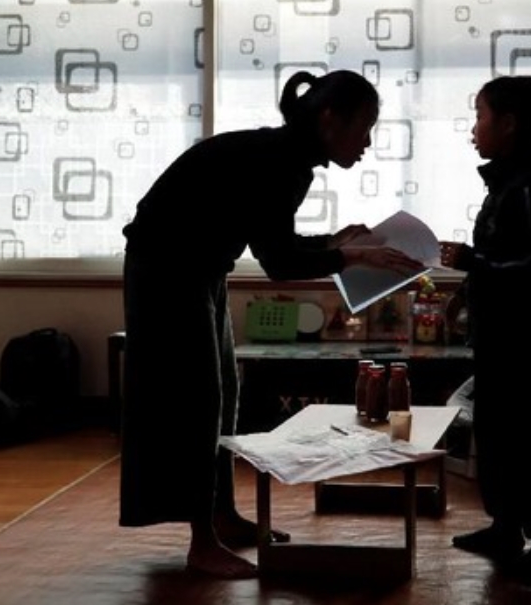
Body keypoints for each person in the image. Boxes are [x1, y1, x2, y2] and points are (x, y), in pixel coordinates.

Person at [118, 69, 424, 580]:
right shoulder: (281, 161)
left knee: (223, 393)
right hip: (166, 271)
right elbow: (280, 263)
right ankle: (202, 544)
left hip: (199, 270)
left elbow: (276, 244)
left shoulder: (287, 157)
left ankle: (220, 515)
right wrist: (348, 255)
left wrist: (337, 243)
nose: (368, 143)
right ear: (329, 119)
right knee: (198, 401)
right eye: (364, 128)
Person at [439, 75, 531, 582]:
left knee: (528, 439)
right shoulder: (506, 184)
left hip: (521, 339)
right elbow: (500, 257)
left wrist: (472, 262)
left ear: (509, 124)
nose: (474, 129)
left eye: (481, 117)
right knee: (495, 434)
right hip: (495, 336)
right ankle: (505, 527)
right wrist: (465, 287)